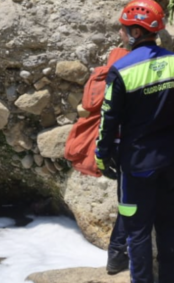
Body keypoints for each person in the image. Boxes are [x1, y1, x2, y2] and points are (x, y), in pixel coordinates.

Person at [95, 0, 174, 283]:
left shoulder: (122, 69)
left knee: (137, 231)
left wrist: (102, 154)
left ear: (136, 32)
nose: (121, 34)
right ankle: (169, 278)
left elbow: (108, 118)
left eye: (124, 29)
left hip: (136, 164)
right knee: (168, 226)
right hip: (173, 161)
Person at [63, 46, 131, 274]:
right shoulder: (130, 72)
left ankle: (117, 254)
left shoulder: (105, 75)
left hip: (115, 150)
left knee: (127, 204)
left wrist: (102, 154)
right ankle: (120, 255)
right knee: (132, 205)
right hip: (132, 150)